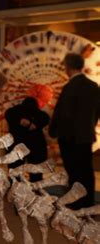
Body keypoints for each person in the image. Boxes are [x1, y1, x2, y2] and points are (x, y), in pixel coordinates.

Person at [49, 53, 100, 209]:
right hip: (85, 135)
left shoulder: (69, 87)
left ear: (68, 67)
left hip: (69, 136)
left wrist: (53, 131)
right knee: (86, 170)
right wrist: (90, 125)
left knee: (73, 171)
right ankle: (88, 202)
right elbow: (98, 110)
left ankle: (76, 202)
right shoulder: (93, 86)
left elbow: (63, 113)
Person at [5, 96, 50, 182]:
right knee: (36, 176)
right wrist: (34, 124)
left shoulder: (15, 111)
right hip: (35, 146)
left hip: (17, 145)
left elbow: (8, 114)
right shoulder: (38, 114)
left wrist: (21, 120)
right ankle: (35, 192)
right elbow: (46, 118)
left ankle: (14, 191)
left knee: (15, 173)